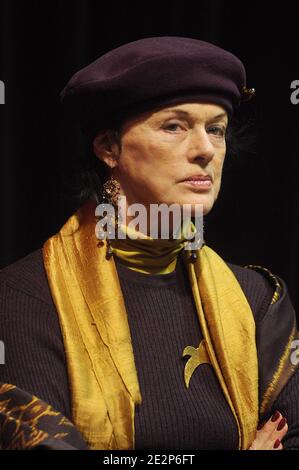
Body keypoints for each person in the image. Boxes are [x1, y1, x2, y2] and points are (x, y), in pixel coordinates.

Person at [0, 36, 299, 451]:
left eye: (216, 129)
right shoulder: (24, 298)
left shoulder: (258, 301)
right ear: (109, 148)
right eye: (174, 126)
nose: (205, 149)